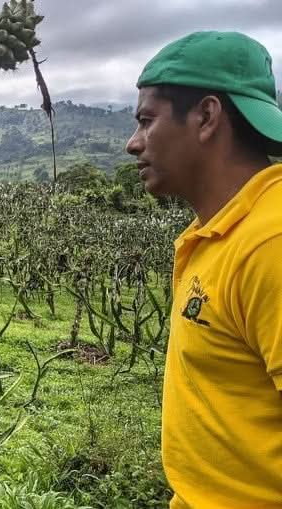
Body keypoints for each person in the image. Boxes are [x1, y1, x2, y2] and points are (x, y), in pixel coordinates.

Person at [126, 31, 282, 508]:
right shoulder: (219, 232)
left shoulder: (269, 245)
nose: (134, 144)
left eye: (147, 121)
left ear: (207, 116)